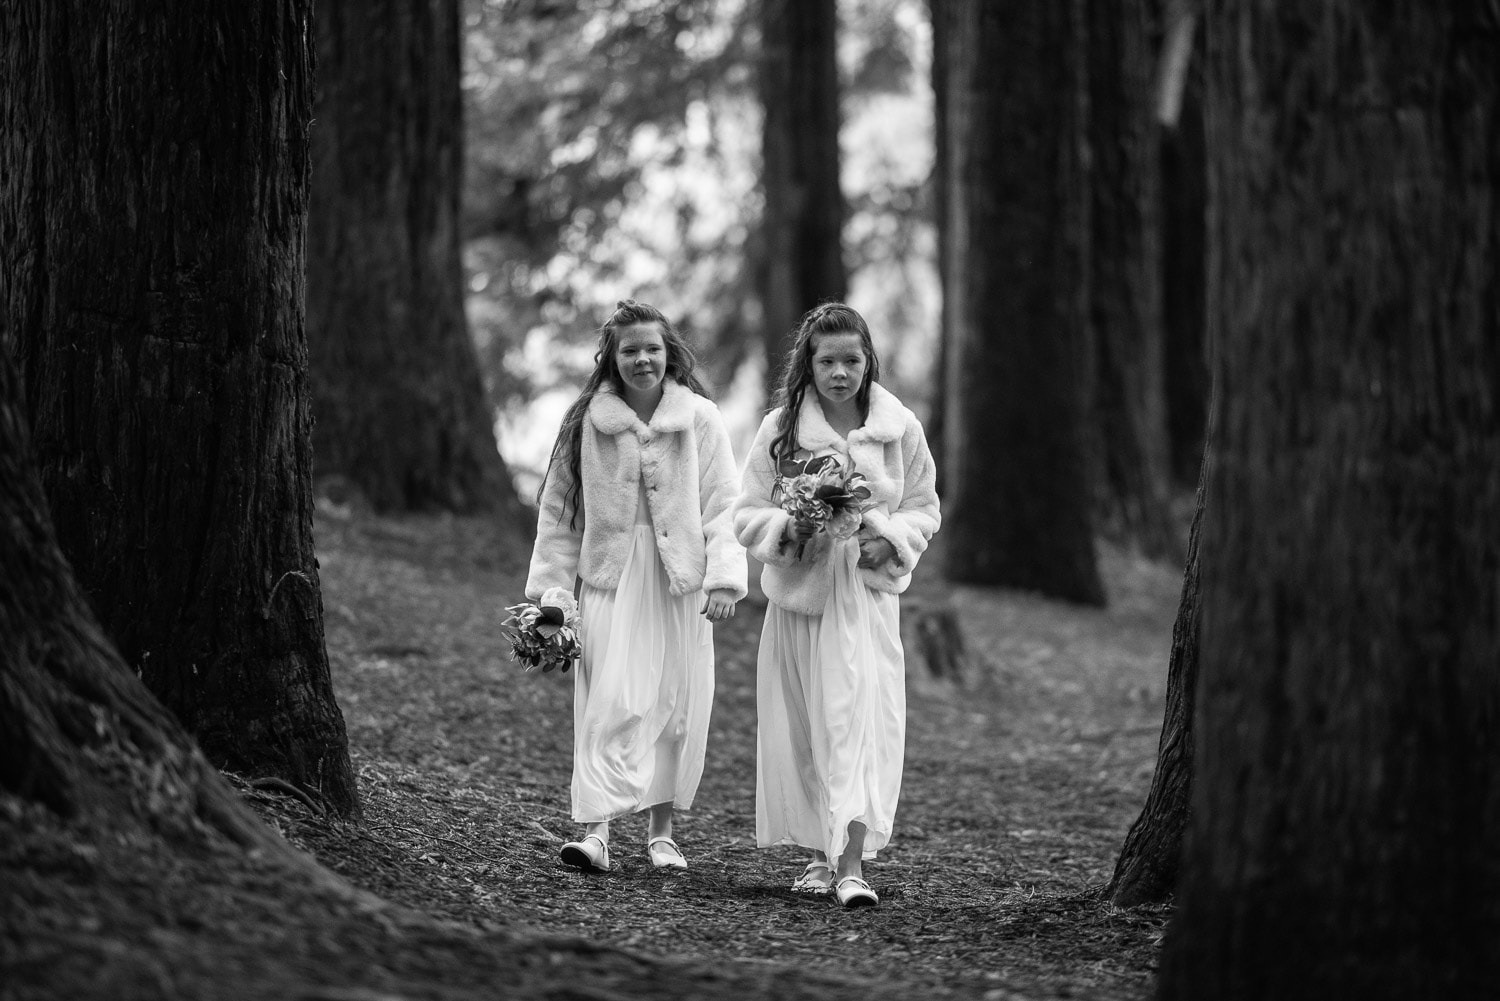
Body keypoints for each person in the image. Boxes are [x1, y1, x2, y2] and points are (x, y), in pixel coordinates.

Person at [527, 299, 746, 873]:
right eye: (630, 350)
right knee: (609, 695)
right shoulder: (587, 423)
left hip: (680, 580)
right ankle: (595, 831)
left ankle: (662, 832)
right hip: (611, 576)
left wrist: (724, 578)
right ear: (611, 358)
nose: (642, 359)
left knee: (673, 702)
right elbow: (559, 513)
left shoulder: (700, 418)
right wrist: (552, 594)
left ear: (668, 352)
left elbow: (725, 503)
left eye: (652, 348)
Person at [734, 302, 940, 908]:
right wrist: (787, 530)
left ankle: (852, 864)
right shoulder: (780, 429)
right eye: (828, 361)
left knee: (857, 720)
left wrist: (893, 542)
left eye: (852, 360)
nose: (840, 372)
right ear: (809, 364)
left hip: (865, 600)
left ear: (868, 361)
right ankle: (822, 855)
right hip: (802, 600)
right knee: (809, 725)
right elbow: (745, 511)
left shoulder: (899, 428)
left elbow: (925, 506)